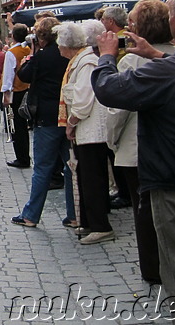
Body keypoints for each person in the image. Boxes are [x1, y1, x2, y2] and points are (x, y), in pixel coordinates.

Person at [92, 0, 175, 308]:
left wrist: (106, 56)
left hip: (174, 180)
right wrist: (157, 55)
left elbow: (110, 91)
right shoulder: (172, 64)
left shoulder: (165, 71)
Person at [104, 0, 172, 284]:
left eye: (131, 23)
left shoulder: (133, 61)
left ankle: (153, 269)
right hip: (173, 149)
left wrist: (112, 140)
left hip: (137, 150)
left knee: (144, 211)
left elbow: (117, 108)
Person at [10, 17, 75, 228]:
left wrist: (31, 54)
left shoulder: (41, 56)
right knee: (71, 167)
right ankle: (74, 214)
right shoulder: (69, 54)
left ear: (39, 37)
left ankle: (31, 214)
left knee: (42, 168)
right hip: (68, 116)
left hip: (46, 117)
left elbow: (24, 75)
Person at [55, 22, 113, 245]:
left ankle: (100, 225)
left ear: (66, 45)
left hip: (91, 131)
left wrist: (71, 121)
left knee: (92, 178)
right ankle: (89, 221)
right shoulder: (79, 61)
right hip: (86, 131)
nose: (58, 48)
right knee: (85, 178)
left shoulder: (86, 62)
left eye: (59, 44)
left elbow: (83, 99)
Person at [2, 24, 32, 168]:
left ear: (13, 36)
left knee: (16, 126)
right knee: (25, 126)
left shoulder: (11, 53)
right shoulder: (28, 49)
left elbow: (8, 75)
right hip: (28, 90)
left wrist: (6, 94)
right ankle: (25, 155)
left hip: (16, 91)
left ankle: (22, 157)